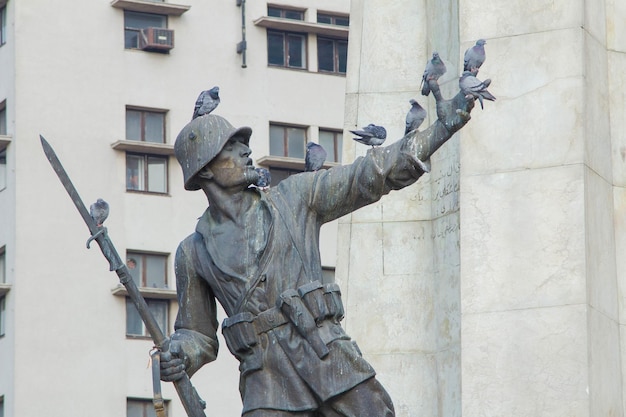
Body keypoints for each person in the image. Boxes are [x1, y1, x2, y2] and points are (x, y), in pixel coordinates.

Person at [160, 82, 474, 416]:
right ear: (205, 168)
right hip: (266, 383)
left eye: (243, 144)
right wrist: (181, 352)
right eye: (231, 148)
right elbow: (196, 332)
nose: (245, 151)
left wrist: (442, 128)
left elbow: (369, 175)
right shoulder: (192, 253)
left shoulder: (295, 199)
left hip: (329, 359)